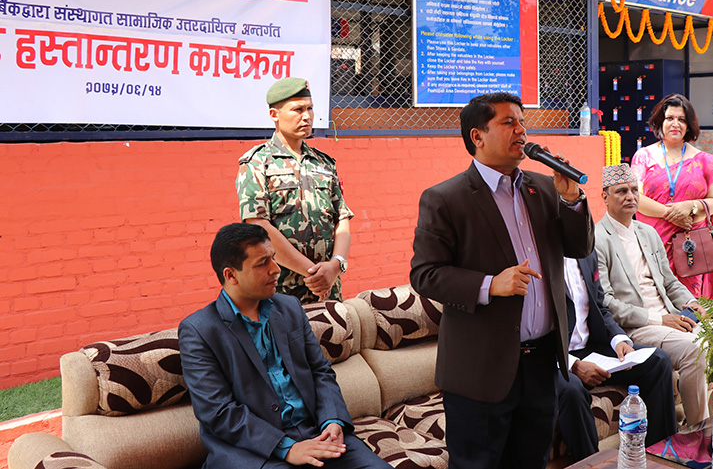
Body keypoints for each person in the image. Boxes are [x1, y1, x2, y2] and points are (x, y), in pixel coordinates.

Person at [409, 92, 594, 469]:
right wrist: (491, 284)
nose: (521, 131)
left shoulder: (543, 188)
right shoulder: (446, 198)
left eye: (523, 122)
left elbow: (580, 247)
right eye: (509, 122)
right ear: (478, 136)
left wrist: (573, 200)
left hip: (542, 363)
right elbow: (424, 274)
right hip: (481, 370)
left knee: (532, 461)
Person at [178, 223, 389, 469]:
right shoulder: (199, 331)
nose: (276, 270)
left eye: (273, 259)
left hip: (316, 432)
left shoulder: (289, 307)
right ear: (231, 275)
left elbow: (320, 371)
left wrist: (332, 421)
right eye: (262, 263)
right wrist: (288, 448)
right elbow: (219, 411)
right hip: (256, 452)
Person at [595, 163, 711, 434]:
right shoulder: (598, 238)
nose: (630, 196)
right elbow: (607, 302)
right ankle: (697, 434)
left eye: (634, 190)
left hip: (670, 317)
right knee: (696, 348)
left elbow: (670, 282)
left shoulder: (647, 232)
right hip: (638, 326)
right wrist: (660, 318)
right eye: (621, 191)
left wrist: (692, 303)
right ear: (604, 197)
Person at [237, 77, 354, 303]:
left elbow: (342, 218)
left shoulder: (324, 163)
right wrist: (313, 273)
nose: (307, 116)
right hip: (279, 291)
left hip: (328, 289)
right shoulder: (257, 163)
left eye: (310, 108)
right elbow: (257, 225)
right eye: (298, 109)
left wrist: (335, 266)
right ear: (275, 115)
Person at [555, 250, 677, 462]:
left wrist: (619, 340)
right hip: (553, 356)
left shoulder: (585, 253)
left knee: (658, 362)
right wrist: (573, 365)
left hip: (589, 347)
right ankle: (591, 464)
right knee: (573, 390)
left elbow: (600, 307)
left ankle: (659, 457)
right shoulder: (538, 257)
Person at [631, 94, 713, 299]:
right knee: (656, 301)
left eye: (681, 119)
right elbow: (635, 198)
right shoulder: (644, 156)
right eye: (669, 118)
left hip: (690, 248)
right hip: (653, 243)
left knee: (691, 305)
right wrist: (671, 213)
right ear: (660, 122)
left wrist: (690, 206)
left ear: (689, 125)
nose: (675, 124)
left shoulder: (702, 161)